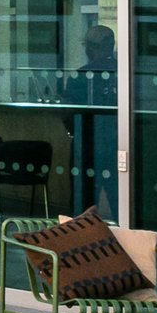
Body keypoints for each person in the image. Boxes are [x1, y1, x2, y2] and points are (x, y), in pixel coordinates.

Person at [67, 23, 119, 217]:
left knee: (83, 208)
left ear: (91, 47)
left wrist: (75, 133)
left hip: (87, 146)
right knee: (121, 202)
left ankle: (82, 245)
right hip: (119, 146)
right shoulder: (125, 74)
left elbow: (68, 112)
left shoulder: (80, 76)